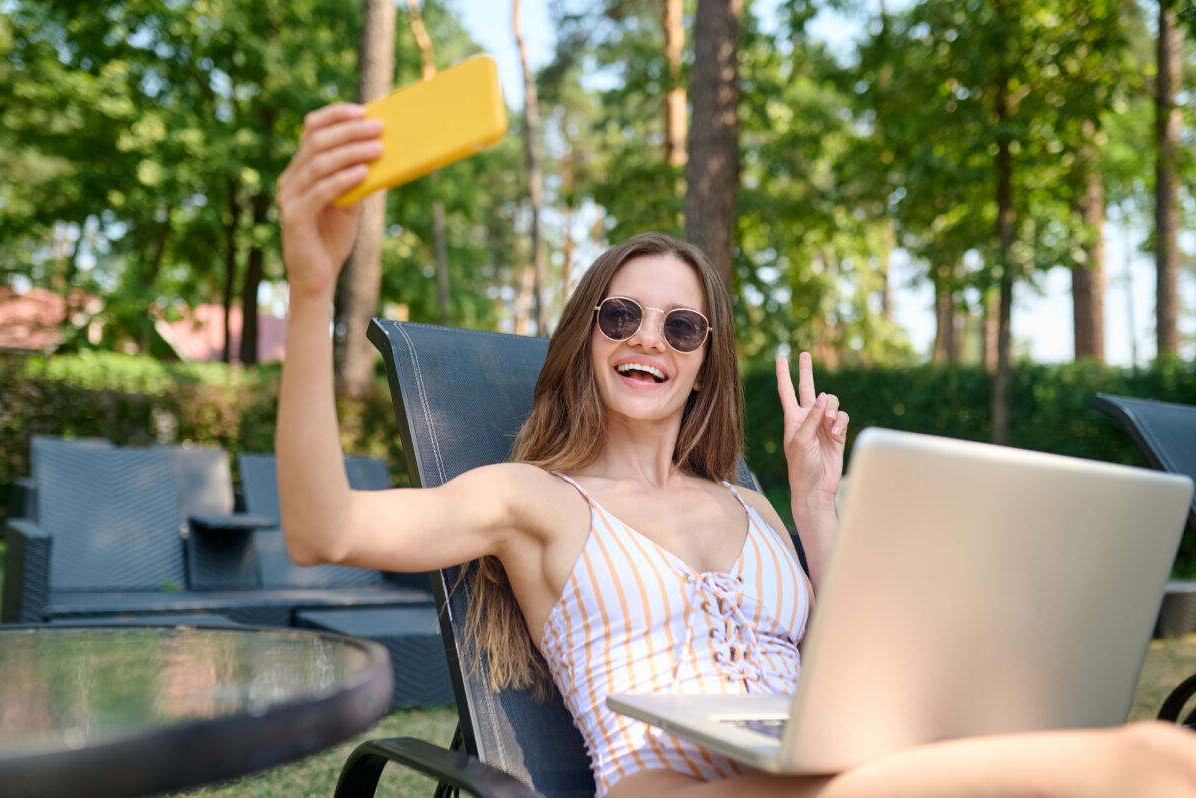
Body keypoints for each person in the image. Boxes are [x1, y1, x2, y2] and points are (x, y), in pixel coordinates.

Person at [276, 102, 1196, 798]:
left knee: (1158, 757)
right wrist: (313, 288)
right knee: (1153, 761)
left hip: (828, 770)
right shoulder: (533, 499)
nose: (649, 339)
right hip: (672, 787)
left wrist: (816, 508)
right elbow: (326, 528)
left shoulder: (750, 504)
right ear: (586, 337)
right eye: (622, 316)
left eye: (682, 326)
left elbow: (856, 665)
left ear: (706, 362)